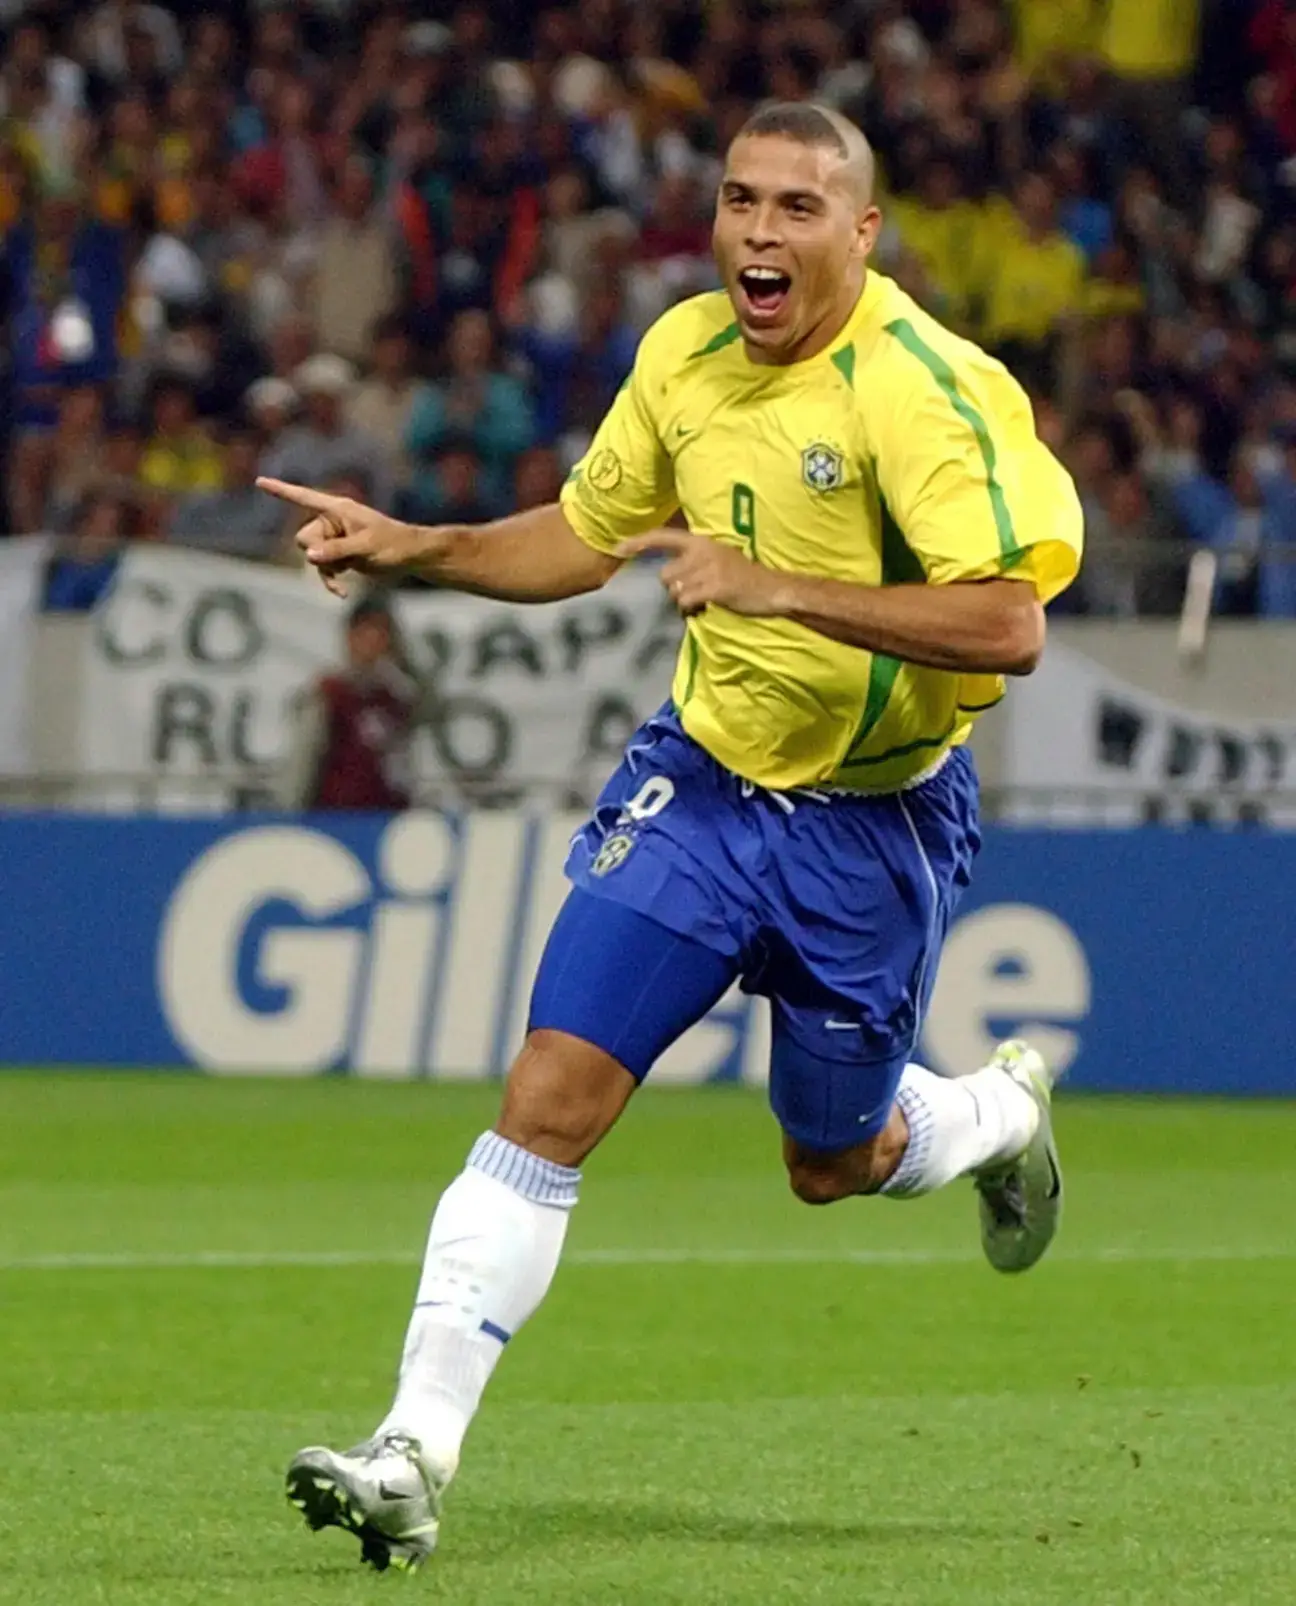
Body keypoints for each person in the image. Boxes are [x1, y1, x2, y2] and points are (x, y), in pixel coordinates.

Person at [258, 102, 1083, 1576]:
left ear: (862, 231)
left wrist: (779, 587)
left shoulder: (926, 392)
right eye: (738, 201)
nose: (759, 234)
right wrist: (422, 547)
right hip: (699, 788)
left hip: (872, 824)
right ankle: (413, 1452)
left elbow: (1009, 619)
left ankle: (997, 1115)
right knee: (549, 1094)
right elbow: (588, 533)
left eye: (796, 210)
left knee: (833, 1160)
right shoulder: (687, 354)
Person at [276, 594, 422, 811]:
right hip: (335, 816)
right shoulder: (330, 693)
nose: (374, 641)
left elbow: (406, 760)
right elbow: (304, 759)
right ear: (351, 636)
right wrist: (293, 812)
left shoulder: (396, 697)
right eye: (367, 632)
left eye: (382, 633)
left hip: (385, 814)